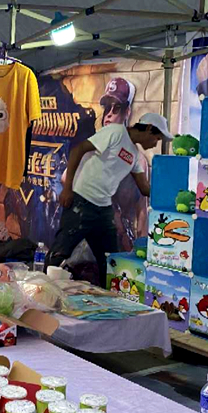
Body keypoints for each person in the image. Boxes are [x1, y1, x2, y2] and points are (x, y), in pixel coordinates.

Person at [48, 112, 172, 284]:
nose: (154, 144)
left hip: (104, 210)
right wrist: (68, 188)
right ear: (149, 129)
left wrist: (172, 197)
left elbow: (144, 188)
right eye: (156, 139)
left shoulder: (135, 155)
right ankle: (40, 291)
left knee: (111, 261)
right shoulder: (115, 132)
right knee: (59, 253)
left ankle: (109, 301)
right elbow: (78, 150)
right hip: (81, 202)